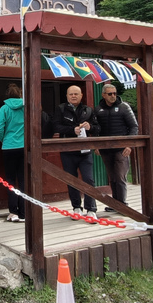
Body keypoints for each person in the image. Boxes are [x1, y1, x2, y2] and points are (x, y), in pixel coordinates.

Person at [53, 84, 101, 221]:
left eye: (76, 94)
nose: (73, 96)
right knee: (71, 180)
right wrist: (72, 130)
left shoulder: (88, 110)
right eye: (71, 94)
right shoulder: (61, 109)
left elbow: (98, 128)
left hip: (85, 151)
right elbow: (56, 126)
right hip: (67, 150)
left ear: (81, 95)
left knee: (88, 179)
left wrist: (90, 126)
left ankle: (91, 209)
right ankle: (76, 208)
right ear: (67, 96)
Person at [95, 84, 139, 212]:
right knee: (112, 177)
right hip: (106, 149)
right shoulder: (98, 109)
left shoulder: (124, 107)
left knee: (120, 177)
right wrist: (96, 146)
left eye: (114, 93)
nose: (113, 96)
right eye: (110, 94)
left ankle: (122, 204)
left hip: (121, 148)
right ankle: (115, 205)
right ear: (103, 95)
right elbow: (96, 129)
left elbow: (134, 127)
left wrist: (129, 145)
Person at [0, 83, 26, 223]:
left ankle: (13, 212)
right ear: (20, 94)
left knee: (10, 180)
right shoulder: (26, 107)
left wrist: (4, 140)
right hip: (24, 146)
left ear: (6, 95)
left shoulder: (4, 108)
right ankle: (24, 212)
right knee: (24, 180)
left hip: (9, 147)